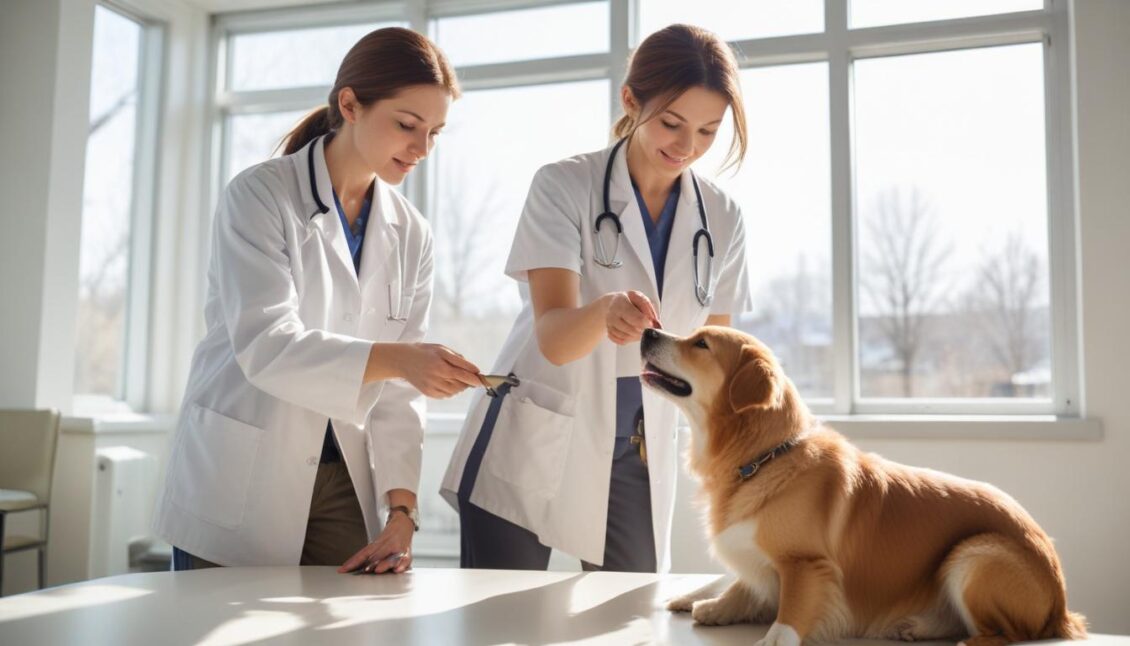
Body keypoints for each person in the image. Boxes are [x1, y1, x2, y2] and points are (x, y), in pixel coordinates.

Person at [153, 27, 480, 574]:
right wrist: (402, 359)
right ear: (349, 104)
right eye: (406, 125)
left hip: (343, 476)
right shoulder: (260, 196)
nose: (422, 148)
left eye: (436, 132)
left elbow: (400, 396)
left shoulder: (412, 233)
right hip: (243, 467)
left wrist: (402, 510)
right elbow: (268, 343)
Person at [441, 24, 754, 572]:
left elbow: (718, 357)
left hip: (638, 448)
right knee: (500, 620)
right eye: (672, 123)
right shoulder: (564, 185)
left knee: (627, 620)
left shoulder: (722, 217)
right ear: (631, 101)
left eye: (708, 131)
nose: (688, 147)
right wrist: (604, 313)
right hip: (535, 433)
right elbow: (557, 339)